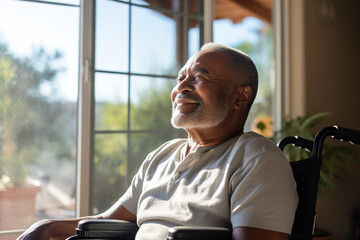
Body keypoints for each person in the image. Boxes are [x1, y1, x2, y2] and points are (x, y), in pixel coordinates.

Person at [18, 42, 298, 240]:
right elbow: (106, 221)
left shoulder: (257, 160)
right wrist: (48, 226)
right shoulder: (162, 156)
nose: (181, 88)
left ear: (241, 97)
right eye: (180, 78)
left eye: (200, 77)